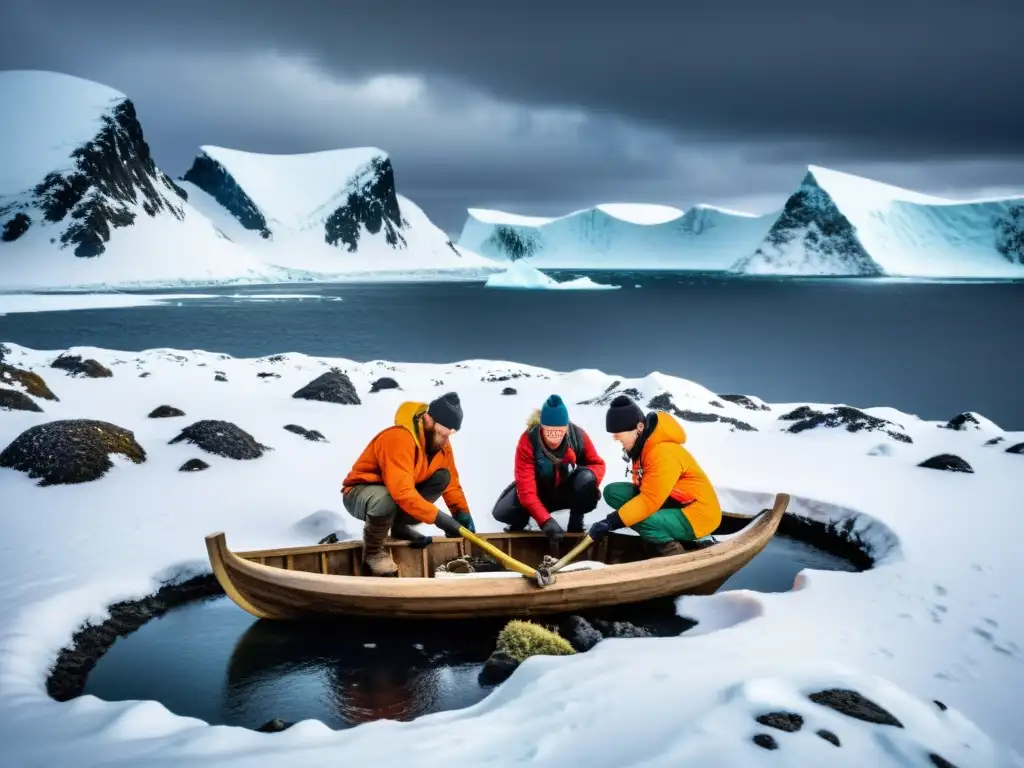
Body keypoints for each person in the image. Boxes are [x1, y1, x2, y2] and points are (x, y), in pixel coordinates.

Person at [342, 392, 475, 576]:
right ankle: (373, 552)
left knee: (442, 477)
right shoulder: (399, 438)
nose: (446, 438)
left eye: (451, 433)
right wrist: (440, 519)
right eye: (443, 431)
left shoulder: (441, 444)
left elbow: (451, 483)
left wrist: (461, 514)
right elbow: (401, 492)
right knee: (386, 497)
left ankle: (399, 527)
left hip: (396, 496)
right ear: (428, 419)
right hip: (360, 493)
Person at [587, 395, 721, 556]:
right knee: (613, 492)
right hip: (672, 503)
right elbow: (645, 490)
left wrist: (610, 522)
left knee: (639, 518)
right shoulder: (644, 448)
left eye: (620, 433)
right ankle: (658, 530)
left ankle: (674, 552)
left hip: (696, 514)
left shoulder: (662, 453)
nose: (616, 439)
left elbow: (648, 500)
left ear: (639, 427)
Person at [491, 394, 606, 545]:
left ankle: (576, 519)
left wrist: (585, 489)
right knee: (502, 512)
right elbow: (526, 490)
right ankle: (526, 520)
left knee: (587, 478)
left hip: (566, 490)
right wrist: (545, 521)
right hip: (540, 491)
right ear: (541, 427)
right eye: (549, 431)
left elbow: (597, 465)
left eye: (558, 431)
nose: (554, 437)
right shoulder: (528, 441)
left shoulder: (578, 436)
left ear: (566, 428)